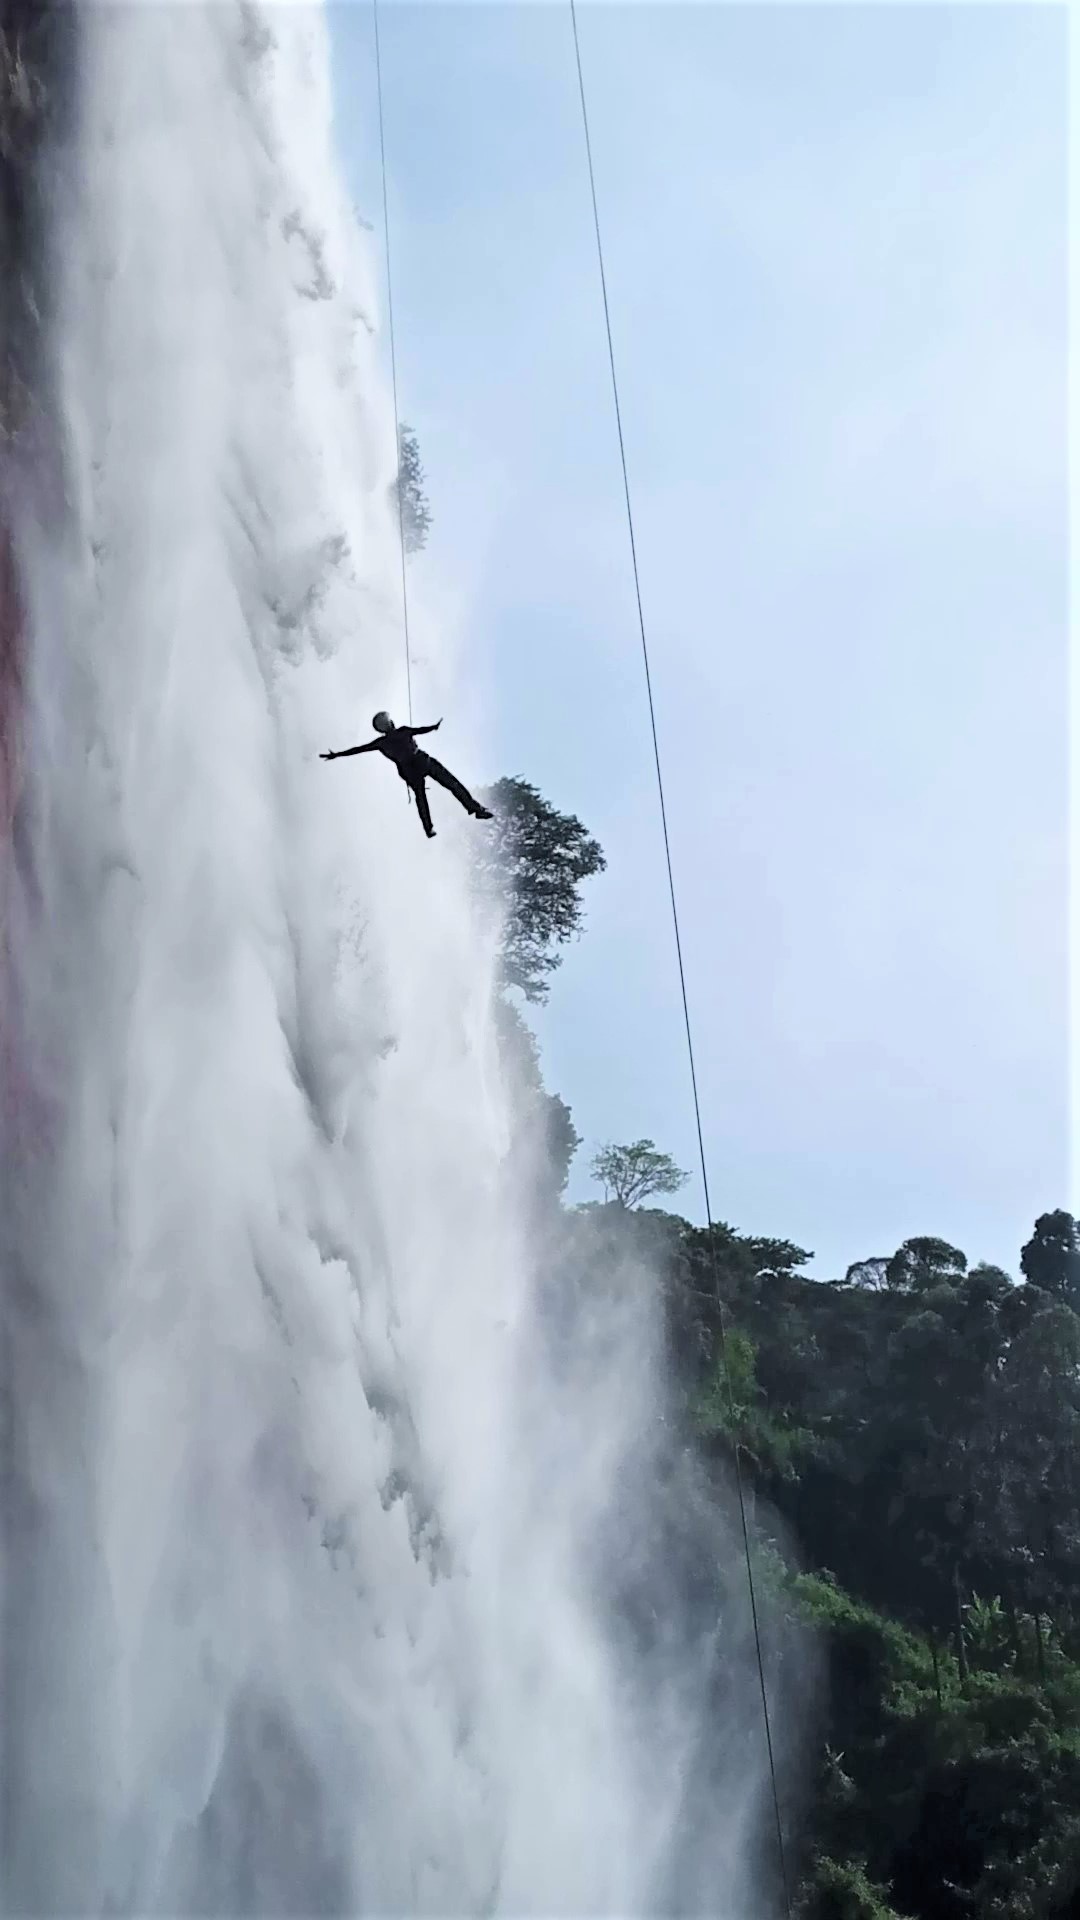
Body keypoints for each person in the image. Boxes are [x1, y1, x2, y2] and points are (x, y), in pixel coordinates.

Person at [320, 712, 494, 840]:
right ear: (390, 722)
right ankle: (475, 809)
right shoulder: (401, 732)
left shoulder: (381, 743)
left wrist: (337, 755)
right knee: (452, 784)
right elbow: (421, 730)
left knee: (421, 798)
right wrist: (433, 727)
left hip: (408, 770)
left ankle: (428, 828)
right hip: (422, 761)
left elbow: (358, 749)